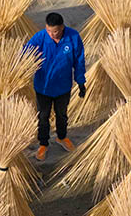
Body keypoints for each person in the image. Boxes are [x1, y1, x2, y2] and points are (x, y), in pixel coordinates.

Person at [24, 12, 86, 161]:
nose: (52, 35)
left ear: (62, 27)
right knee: (43, 116)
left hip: (63, 86)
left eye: (56, 31)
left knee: (62, 114)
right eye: (49, 31)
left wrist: (81, 82)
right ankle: (43, 143)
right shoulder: (40, 38)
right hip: (43, 87)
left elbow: (79, 61)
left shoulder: (73, 37)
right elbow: (24, 54)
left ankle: (62, 137)